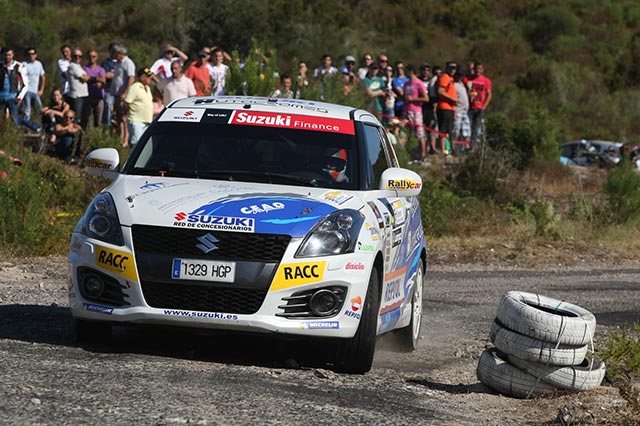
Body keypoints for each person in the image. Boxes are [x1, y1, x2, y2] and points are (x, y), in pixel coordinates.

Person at [109, 44, 136, 146]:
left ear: (119, 53)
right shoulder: (118, 63)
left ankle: (126, 139)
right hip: (116, 94)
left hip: (123, 95)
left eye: (114, 53)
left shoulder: (128, 63)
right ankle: (120, 139)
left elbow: (131, 78)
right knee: (119, 117)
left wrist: (125, 92)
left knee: (124, 117)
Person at [463, 61, 492, 152]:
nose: (477, 70)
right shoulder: (467, 79)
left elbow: (489, 94)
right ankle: (466, 147)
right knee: (467, 128)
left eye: (480, 69)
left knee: (477, 128)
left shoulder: (486, 81)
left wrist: (484, 106)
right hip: (469, 107)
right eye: (476, 68)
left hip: (479, 107)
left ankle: (475, 147)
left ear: (482, 70)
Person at [402, 64, 429, 159]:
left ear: (411, 71)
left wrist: (413, 99)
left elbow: (426, 98)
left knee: (420, 133)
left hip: (416, 111)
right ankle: (410, 154)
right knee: (409, 133)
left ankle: (423, 154)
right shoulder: (406, 84)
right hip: (407, 111)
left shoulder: (419, 83)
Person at [124, 68, 154, 147]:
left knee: (143, 145)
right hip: (136, 121)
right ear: (142, 77)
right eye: (148, 76)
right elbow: (127, 102)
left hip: (146, 121)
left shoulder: (148, 88)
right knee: (136, 144)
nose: (150, 78)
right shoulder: (135, 87)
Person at [0, 48, 29, 127]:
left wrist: (19, 97)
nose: (7, 57)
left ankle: (15, 136)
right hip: (1, 96)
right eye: (5, 55)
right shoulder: (1, 65)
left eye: (9, 55)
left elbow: (26, 84)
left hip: (13, 97)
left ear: (13, 55)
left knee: (14, 120)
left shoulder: (19, 66)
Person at [436, 61, 458, 155]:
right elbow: (441, 91)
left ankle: (451, 149)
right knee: (443, 130)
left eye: (454, 68)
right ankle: (443, 150)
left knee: (450, 130)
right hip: (444, 107)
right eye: (451, 68)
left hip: (450, 108)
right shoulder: (445, 77)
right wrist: (452, 99)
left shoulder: (451, 79)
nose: (453, 70)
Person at [83, 50, 106, 129]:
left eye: (94, 56)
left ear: (97, 58)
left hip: (99, 97)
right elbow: (85, 79)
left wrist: (91, 79)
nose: (91, 58)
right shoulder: (84, 69)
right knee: (87, 119)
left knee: (98, 120)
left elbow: (103, 80)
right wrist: (97, 79)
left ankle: (98, 138)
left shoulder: (101, 69)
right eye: (90, 56)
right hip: (87, 96)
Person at [22, 48, 46, 127]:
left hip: (35, 91)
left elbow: (43, 77)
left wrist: (41, 90)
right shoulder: (24, 64)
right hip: (26, 91)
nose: (31, 56)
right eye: (29, 54)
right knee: (27, 111)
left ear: (35, 55)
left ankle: (40, 127)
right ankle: (26, 128)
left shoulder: (39, 64)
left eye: (32, 54)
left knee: (39, 109)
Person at [67, 48, 89, 127]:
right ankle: (74, 137)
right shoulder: (72, 66)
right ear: (72, 56)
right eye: (75, 56)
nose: (77, 58)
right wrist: (86, 77)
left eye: (80, 56)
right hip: (77, 96)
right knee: (77, 119)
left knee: (83, 118)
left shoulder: (79, 67)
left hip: (83, 95)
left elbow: (86, 77)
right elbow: (85, 78)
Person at [452, 70, 470, 153]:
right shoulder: (453, 85)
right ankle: (454, 147)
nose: (460, 77)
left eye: (461, 76)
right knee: (456, 129)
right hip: (457, 110)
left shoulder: (462, 84)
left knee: (466, 129)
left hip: (464, 111)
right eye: (458, 75)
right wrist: (454, 110)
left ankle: (466, 146)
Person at [101, 43, 118, 126]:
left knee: (119, 114)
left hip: (120, 91)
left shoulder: (122, 62)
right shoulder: (105, 62)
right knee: (108, 109)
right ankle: (107, 129)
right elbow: (106, 75)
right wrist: (116, 74)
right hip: (109, 91)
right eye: (114, 50)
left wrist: (113, 74)